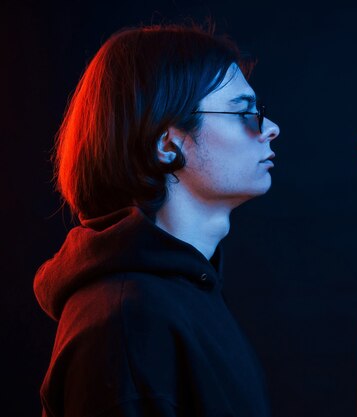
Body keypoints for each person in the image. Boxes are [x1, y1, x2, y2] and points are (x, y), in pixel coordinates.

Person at [34, 24, 279, 416]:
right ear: (168, 144)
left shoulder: (185, 292)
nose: (270, 129)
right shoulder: (127, 324)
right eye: (244, 113)